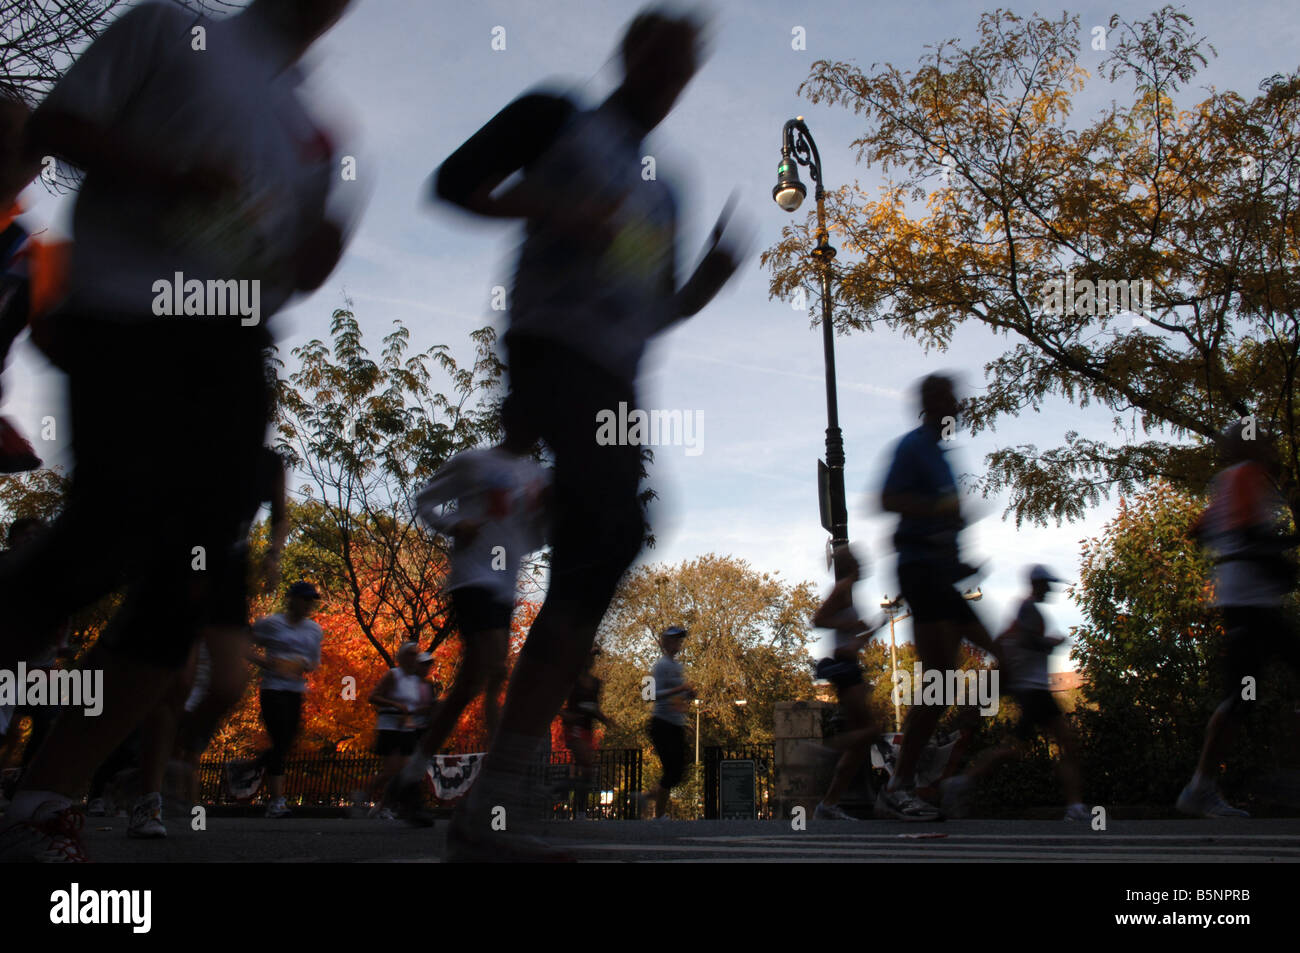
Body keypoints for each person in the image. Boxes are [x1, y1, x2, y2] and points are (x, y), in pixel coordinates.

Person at [0, 0, 352, 863]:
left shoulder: (313, 128)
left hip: (232, 345)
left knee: (191, 579)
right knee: (111, 536)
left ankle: (47, 796)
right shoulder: (168, 30)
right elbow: (60, 126)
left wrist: (311, 256)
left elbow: (283, 264)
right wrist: (165, 173)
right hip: (127, 319)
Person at [430, 5, 744, 860]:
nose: (672, 79)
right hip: (550, 352)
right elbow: (453, 183)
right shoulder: (558, 119)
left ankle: (495, 799)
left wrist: (707, 283)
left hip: (615, 381)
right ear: (629, 51)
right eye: (661, 57)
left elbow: (654, 306)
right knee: (604, 528)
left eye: (686, 67)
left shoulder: (665, 187)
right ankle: (495, 804)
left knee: (607, 547)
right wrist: (555, 208)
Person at [388, 442, 549, 825]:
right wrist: (453, 524)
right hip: (470, 580)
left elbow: (535, 536)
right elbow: (425, 500)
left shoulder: (537, 477)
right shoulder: (473, 462)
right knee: (491, 669)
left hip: (504, 589)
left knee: (473, 683)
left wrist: (548, 521)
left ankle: (410, 777)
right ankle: (500, 783)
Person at [877, 374, 1001, 820]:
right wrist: (939, 513)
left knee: (998, 657)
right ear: (932, 404)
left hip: (942, 575)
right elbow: (888, 499)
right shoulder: (913, 446)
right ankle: (901, 783)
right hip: (920, 572)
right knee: (937, 681)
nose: (960, 405)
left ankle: (949, 748)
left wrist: (957, 552)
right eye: (952, 398)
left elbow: (940, 522)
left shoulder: (941, 455)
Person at [1177, 422, 1300, 818]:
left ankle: (1202, 786)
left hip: (1244, 603)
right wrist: (1283, 554)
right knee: (1240, 697)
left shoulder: (1229, 480)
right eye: (1265, 439)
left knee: (1243, 697)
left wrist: (1226, 542)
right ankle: (1201, 786)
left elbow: (1198, 530)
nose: (1271, 444)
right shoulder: (1247, 475)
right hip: (1251, 604)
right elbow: (1247, 532)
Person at [939, 565, 1088, 820]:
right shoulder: (1028, 609)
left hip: (1032, 689)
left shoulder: (1028, 611)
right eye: (1047, 584)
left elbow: (1014, 645)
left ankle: (963, 782)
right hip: (1034, 690)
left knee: (1021, 748)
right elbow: (1025, 640)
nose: (1051, 589)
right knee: (1065, 745)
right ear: (1037, 584)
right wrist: (1052, 642)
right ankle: (1074, 807)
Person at [228, 582, 324, 819]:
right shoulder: (271, 624)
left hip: (295, 690)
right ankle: (276, 802)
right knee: (280, 740)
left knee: (287, 743)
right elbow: (241, 643)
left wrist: (301, 664)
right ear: (292, 599)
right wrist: (266, 663)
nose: (307, 605)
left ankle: (246, 768)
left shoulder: (314, 630)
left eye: (311, 601)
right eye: (304, 599)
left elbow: (314, 662)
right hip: (272, 689)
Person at [811, 546, 887, 820]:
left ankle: (828, 804)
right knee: (872, 730)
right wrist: (849, 627)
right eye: (857, 560)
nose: (863, 564)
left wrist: (873, 628)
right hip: (846, 669)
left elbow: (855, 640)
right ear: (848, 565)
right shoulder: (842, 588)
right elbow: (817, 619)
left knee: (861, 744)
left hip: (851, 666)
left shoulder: (849, 592)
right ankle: (826, 750)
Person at [365, 642, 430, 819]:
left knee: (407, 770)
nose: (413, 657)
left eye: (415, 654)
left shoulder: (416, 681)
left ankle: (387, 806)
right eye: (409, 653)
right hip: (390, 727)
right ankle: (363, 795)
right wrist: (395, 705)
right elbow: (373, 696)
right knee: (391, 770)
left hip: (407, 729)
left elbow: (416, 706)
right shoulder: (393, 675)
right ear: (401, 657)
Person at [642, 626, 694, 820]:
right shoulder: (660, 666)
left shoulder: (678, 666)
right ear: (666, 642)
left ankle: (647, 797)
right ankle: (660, 815)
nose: (678, 643)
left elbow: (677, 695)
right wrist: (678, 689)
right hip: (661, 723)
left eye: (680, 640)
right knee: (672, 770)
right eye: (675, 640)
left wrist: (687, 694)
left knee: (678, 770)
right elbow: (649, 695)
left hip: (675, 723)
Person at [561, 646, 611, 819]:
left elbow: (595, 707)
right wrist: (566, 714)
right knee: (584, 761)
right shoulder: (571, 681)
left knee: (587, 770)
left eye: (592, 658)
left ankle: (577, 805)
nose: (589, 662)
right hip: (574, 727)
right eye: (587, 657)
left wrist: (605, 720)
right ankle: (565, 795)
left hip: (588, 728)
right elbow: (558, 704)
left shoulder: (596, 683)